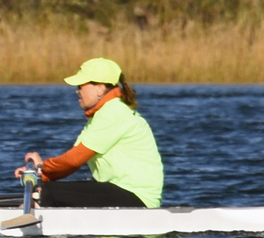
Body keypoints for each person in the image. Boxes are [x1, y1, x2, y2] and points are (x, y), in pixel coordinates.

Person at [15, 58, 162, 208]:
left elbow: (74, 160)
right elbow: (70, 162)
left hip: (138, 198)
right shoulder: (99, 116)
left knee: (49, 193)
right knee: (44, 191)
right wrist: (40, 175)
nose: (77, 91)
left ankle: (23, 225)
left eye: (81, 85)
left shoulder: (113, 112)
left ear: (99, 88)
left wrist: (42, 167)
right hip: (123, 192)